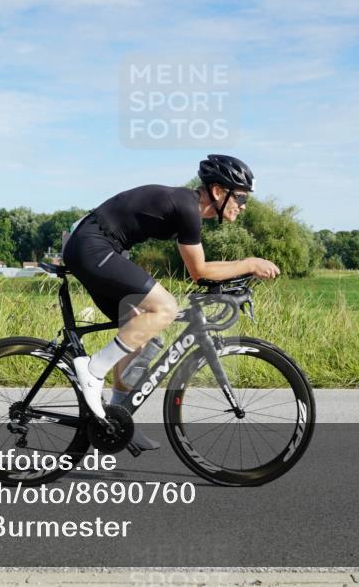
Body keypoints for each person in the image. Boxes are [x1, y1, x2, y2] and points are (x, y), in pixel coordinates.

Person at [61, 154, 280, 448]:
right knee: (165, 307)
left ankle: (117, 419)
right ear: (217, 192)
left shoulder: (186, 209)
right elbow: (199, 272)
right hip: (92, 245)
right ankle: (93, 370)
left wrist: (235, 280)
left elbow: (200, 271)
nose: (243, 206)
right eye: (239, 197)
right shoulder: (187, 207)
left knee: (144, 339)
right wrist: (250, 263)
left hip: (96, 246)